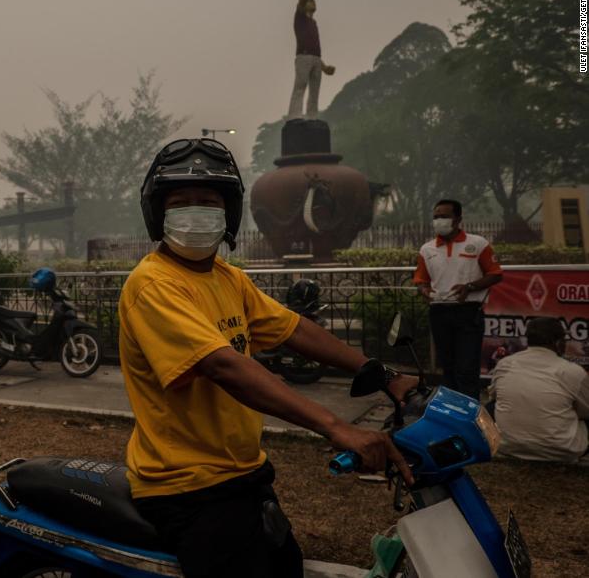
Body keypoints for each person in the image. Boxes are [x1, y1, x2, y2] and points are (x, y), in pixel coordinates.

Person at [121, 138, 415, 578]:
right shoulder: (154, 284)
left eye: (207, 201)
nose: (196, 211)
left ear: (229, 213)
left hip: (244, 472)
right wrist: (334, 426)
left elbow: (294, 329)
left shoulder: (227, 278)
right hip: (189, 486)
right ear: (158, 214)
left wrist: (381, 372)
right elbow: (223, 365)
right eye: (182, 202)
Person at [412, 199, 503, 399]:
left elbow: (495, 274)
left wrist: (470, 287)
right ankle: (452, 416)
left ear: (458, 219)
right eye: (436, 217)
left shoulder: (477, 243)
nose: (439, 221)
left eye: (444, 216)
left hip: (468, 313)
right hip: (439, 312)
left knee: (467, 369)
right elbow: (421, 279)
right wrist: (424, 290)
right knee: (448, 369)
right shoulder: (427, 249)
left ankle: (470, 421)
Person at [492, 317, 589, 463]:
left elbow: (496, 397)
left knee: (492, 406)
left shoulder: (505, 364)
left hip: (508, 446)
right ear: (558, 343)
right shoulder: (572, 371)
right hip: (561, 450)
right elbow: (586, 411)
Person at [287, 0, 335, 120]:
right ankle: (294, 115)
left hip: (314, 58)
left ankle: (312, 115)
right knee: (300, 86)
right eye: (310, 0)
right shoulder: (300, 18)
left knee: (315, 90)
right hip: (303, 57)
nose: (312, 0)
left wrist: (324, 66)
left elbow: (316, 50)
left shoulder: (314, 23)